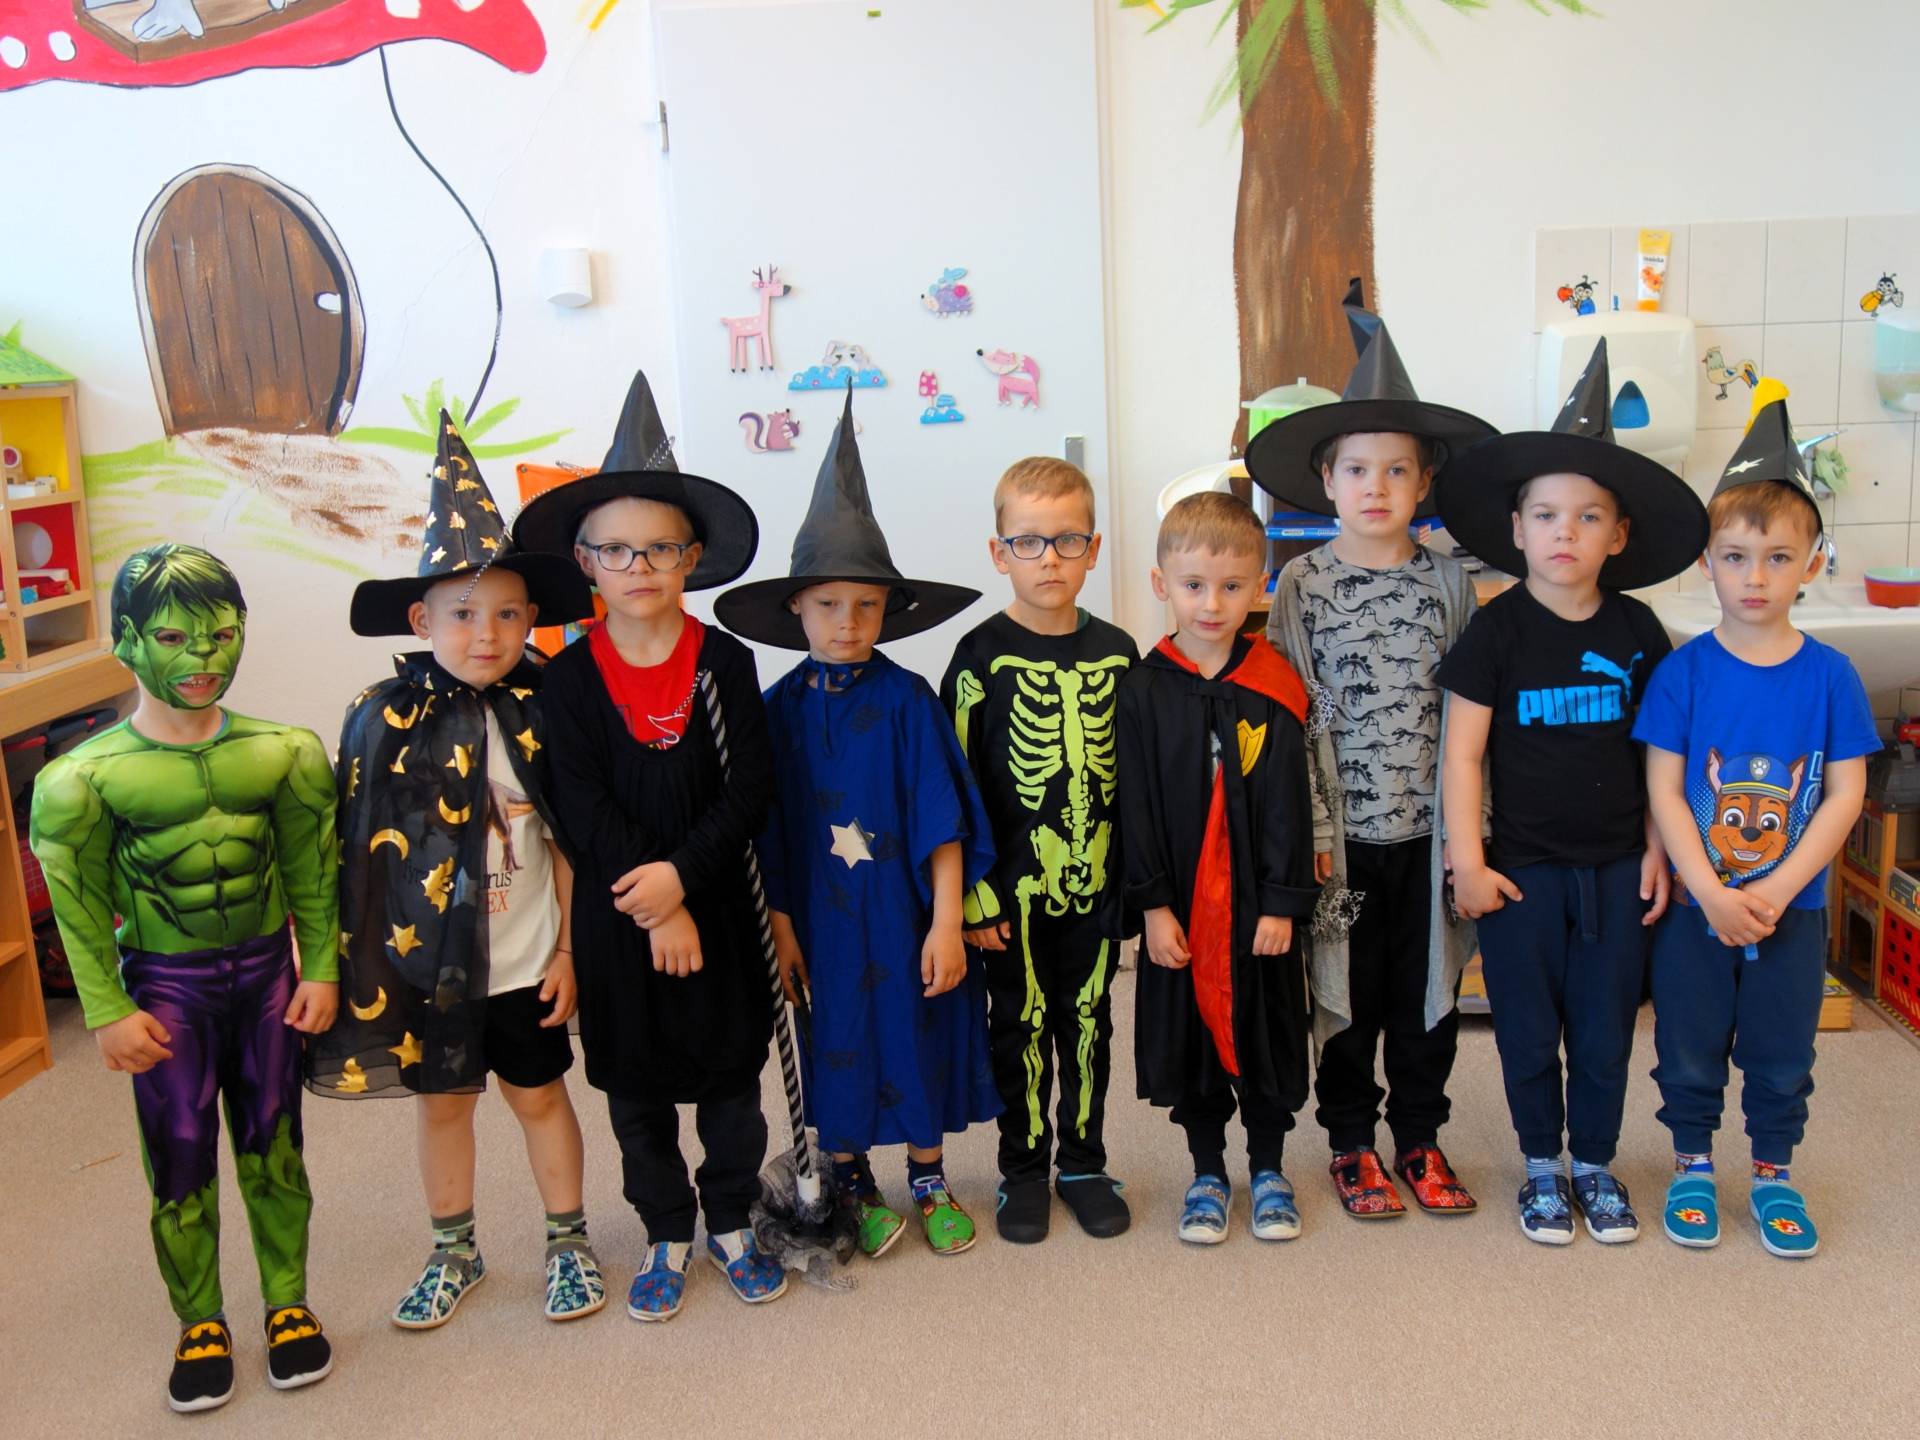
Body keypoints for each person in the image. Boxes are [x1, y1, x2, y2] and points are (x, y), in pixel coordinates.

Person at [309, 412, 605, 1328]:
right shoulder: (381, 718)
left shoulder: (547, 707)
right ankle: (453, 1250)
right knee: (442, 1108)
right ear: (421, 619)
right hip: (429, 966)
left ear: (533, 620)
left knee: (538, 1093)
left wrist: (569, 953)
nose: (488, 633)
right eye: (464, 613)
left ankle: (567, 1241)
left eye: (510, 613)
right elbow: (359, 858)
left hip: (527, 960)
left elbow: (570, 843)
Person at [30, 544, 339, 1413]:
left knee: (276, 1143)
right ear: (127, 643)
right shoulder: (79, 780)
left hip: (268, 975)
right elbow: (78, 909)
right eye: (172, 637)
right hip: (167, 985)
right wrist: (105, 1010)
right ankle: (200, 1319)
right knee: (178, 1153)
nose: (202, 658)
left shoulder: (287, 752)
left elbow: (312, 871)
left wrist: (319, 966)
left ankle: (288, 1302)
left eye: (221, 635)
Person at [512, 370, 782, 1321]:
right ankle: (666, 1228)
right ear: (585, 561)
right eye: (616, 549)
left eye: (660, 548)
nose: (639, 566)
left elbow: (748, 789)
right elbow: (579, 807)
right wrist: (652, 901)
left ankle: (732, 1221)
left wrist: (683, 881)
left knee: (729, 1082)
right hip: (622, 923)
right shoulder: (566, 681)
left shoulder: (725, 663)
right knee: (637, 1092)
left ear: (692, 558)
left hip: (717, 907)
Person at [716, 386, 1000, 1259]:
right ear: (795, 608)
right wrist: (779, 929)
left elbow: (943, 820)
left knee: (919, 1034)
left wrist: (947, 923)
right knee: (832, 1037)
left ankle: (928, 1176)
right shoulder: (775, 713)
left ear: (889, 611)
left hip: (905, 915)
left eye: (867, 605)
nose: (848, 622)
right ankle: (850, 1179)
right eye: (828, 604)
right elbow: (763, 835)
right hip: (820, 924)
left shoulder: (909, 701)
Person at [1433, 339, 1706, 1246]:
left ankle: (1593, 1160)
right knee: (1525, 1030)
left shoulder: (1639, 630)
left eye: (1588, 517)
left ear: (1617, 536)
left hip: (1619, 867)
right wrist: (1467, 863)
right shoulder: (1495, 632)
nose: (1565, 533)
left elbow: (1662, 756)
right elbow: (1462, 757)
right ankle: (1541, 1165)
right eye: (1546, 515)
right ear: (1516, 529)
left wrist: (1660, 848)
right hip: (1520, 873)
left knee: (1603, 1029)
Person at [1250, 280, 1493, 1218]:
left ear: (1424, 482)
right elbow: (1289, 714)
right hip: (1340, 841)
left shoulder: (1450, 585)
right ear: (1327, 480)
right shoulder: (1301, 586)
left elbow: (1472, 715)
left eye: (1397, 470)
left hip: (1429, 836)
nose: (1377, 487)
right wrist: (1306, 834)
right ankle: (1351, 1141)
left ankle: (1420, 1136)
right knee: (1345, 995)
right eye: (1358, 469)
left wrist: (1472, 834)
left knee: (1426, 995)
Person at [1634, 385, 1878, 1258]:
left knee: (1781, 1051)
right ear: (1707, 562)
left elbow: (1844, 794)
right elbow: (1666, 792)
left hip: (1792, 910)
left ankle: (1774, 1171)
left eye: (1778, 558)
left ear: (1813, 563)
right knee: (1688, 1045)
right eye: (1736, 557)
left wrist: (1774, 889)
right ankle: (1693, 1164)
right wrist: (1708, 890)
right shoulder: (1684, 673)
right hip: (1697, 909)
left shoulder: (1832, 676)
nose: (1756, 577)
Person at [940, 456, 1137, 1243]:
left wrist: (1138, 885)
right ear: (1000, 554)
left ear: (1093, 549)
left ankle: (1083, 1164)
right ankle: (1022, 1169)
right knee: (1017, 1023)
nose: (1049, 558)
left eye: (1067, 540)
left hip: (1098, 880)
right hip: (1010, 892)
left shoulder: (1120, 654)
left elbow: (1141, 780)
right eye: (1028, 542)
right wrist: (971, 896)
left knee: (1088, 1021)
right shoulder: (978, 658)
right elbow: (954, 786)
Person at [1117, 491, 1320, 1245]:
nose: (1212, 603)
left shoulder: (1273, 685)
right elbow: (1134, 806)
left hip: (1257, 907)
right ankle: (1207, 1173)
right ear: (1161, 584)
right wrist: (1153, 907)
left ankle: (1267, 1170)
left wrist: (1284, 902)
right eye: (1194, 585)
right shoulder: (1142, 690)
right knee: (1192, 1042)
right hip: (1180, 907)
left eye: (1232, 586)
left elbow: (1289, 804)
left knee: (1267, 1036)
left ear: (1260, 587)